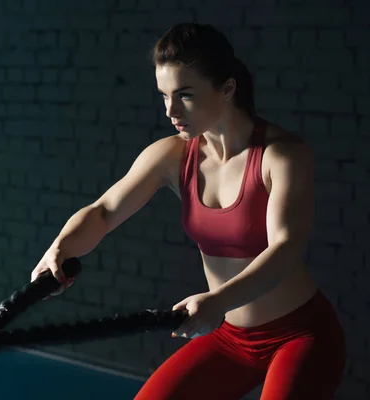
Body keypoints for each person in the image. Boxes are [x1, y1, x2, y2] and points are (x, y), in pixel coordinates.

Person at [30, 23, 346, 399]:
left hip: (300, 334)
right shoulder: (172, 155)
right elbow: (104, 211)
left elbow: (285, 248)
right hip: (232, 337)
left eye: (185, 95)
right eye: (164, 95)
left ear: (227, 89)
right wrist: (60, 249)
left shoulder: (281, 156)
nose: (170, 110)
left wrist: (218, 301)